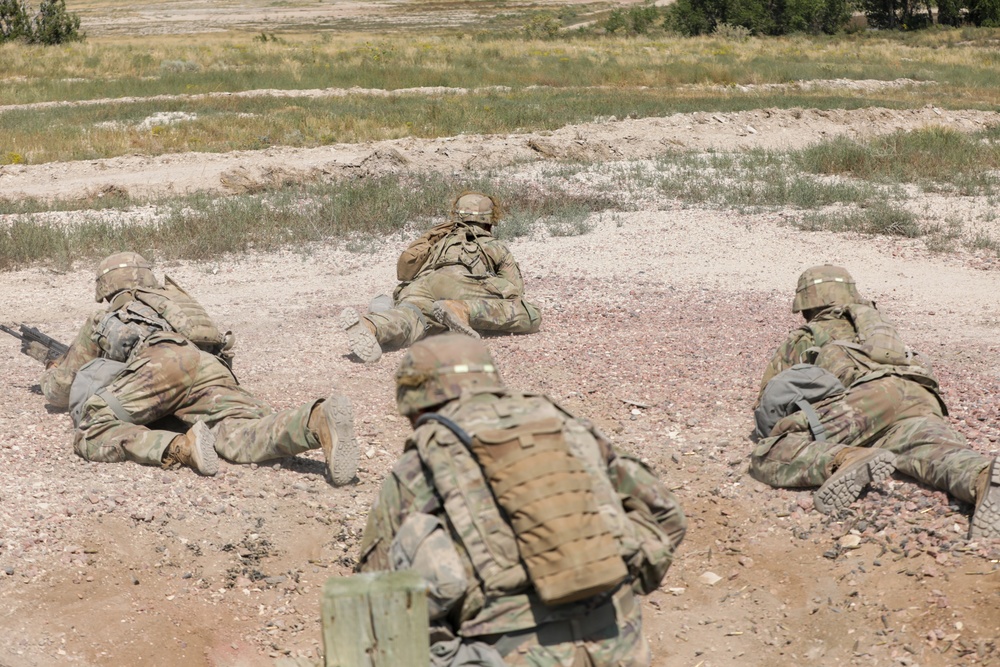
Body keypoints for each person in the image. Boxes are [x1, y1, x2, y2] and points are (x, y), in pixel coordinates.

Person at [357, 334, 687, 666]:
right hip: (618, 640)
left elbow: (378, 593)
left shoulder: (418, 465)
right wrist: (625, 584)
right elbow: (667, 514)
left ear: (416, 402)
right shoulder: (566, 426)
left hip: (509, 653)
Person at [39, 252, 358, 484]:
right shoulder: (174, 304)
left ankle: (179, 447)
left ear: (105, 287)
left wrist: (50, 368)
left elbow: (61, 389)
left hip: (163, 365)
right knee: (236, 435)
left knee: (92, 426)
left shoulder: (106, 317)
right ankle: (316, 420)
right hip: (211, 366)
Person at [750, 264, 999, 539]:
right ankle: (980, 477)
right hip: (921, 396)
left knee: (771, 450)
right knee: (936, 452)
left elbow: (771, 399)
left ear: (807, 305)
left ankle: (846, 457)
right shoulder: (876, 327)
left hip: (870, 398)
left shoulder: (807, 336)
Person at [340, 192, 542, 363]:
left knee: (412, 319)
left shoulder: (438, 240)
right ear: (489, 221)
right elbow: (516, 292)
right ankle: (462, 310)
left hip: (420, 286)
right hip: (458, 284)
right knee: (530, 314)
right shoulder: (493, 245)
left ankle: (374, 326)